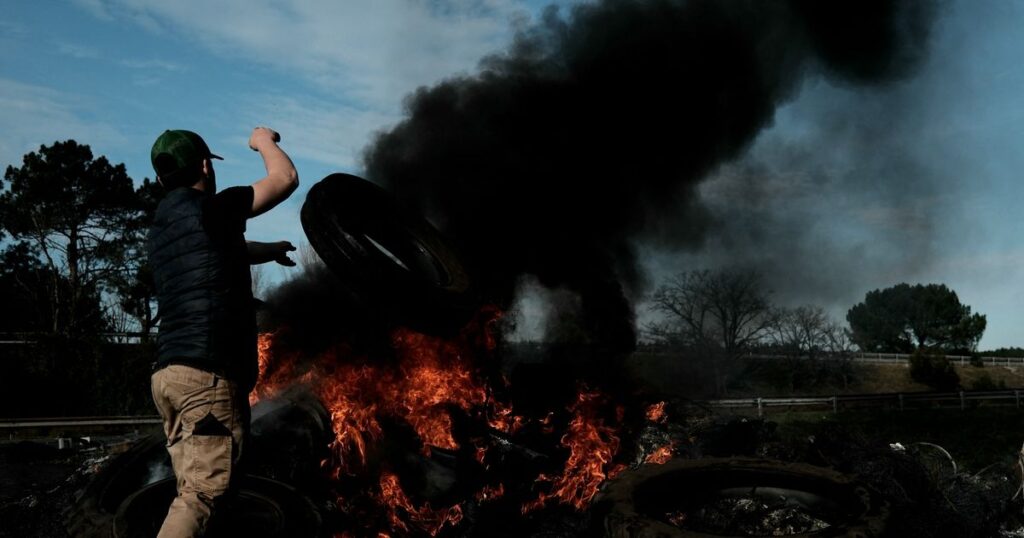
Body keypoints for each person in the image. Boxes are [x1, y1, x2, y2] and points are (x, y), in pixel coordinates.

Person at [147, 127, 299, 537]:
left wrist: (267, 250)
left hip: (168, 377)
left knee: (195, 488)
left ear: (162, 179)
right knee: (203, 495)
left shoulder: (162, 229)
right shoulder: (214, 207)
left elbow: (219, 248)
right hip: (206, 378)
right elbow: (284, 180)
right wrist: (263, 141)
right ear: (204, 166)